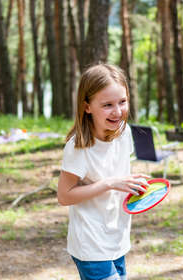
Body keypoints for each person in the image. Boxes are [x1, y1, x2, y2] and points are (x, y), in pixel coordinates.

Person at [57, 63, 150, 280]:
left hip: (117, 238)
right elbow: (64, 196)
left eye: (123, 102)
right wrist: (109, 183)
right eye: (107, 104)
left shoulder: (124, 132)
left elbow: (119, 179)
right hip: (91, 243)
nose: (117, 111)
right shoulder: (78, 146)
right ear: (87, 106)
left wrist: (137, 190)